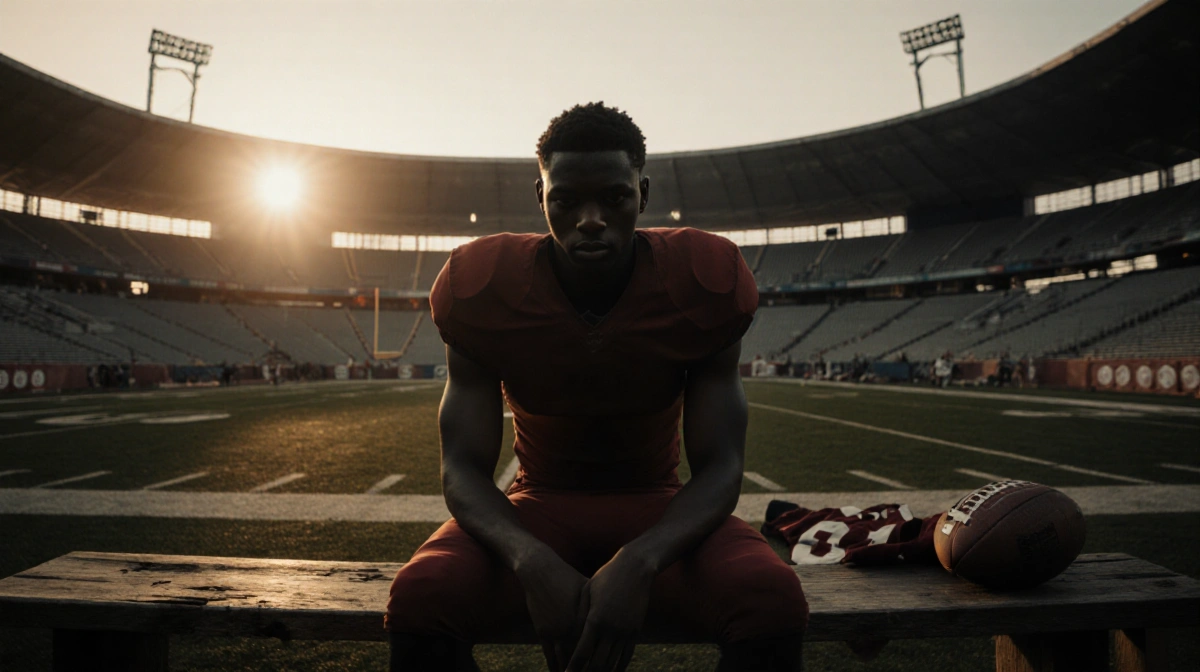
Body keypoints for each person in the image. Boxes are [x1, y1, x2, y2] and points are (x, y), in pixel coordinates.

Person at [386, 103, 807, 671]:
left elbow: (721, 466)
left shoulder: (705, 279)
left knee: (768, 597)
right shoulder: (478, 285)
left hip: (661, 510)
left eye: (613, 197)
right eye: (566, 200)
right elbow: (460, 467)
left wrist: (643, 560)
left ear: (644, 193)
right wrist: (528, 559)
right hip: (535, 509)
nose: (590, 219)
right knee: (423, 596)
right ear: (541, 197)